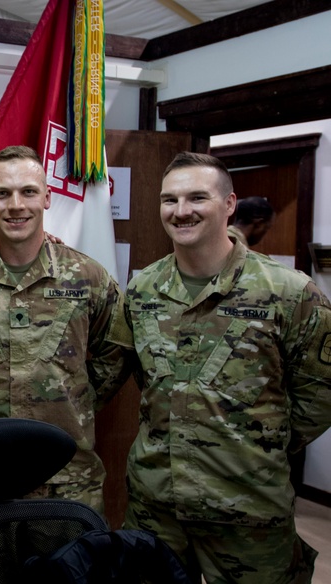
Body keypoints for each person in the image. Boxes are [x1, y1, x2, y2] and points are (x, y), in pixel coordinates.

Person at [118, 152, 331, 584]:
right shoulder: (142, 289)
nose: (181, 211)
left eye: (197, 197)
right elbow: (151, 383)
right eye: (169, 199)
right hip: (157, 509)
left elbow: (320, 392)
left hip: (246, 511)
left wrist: (258, 444)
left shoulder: (289, 292)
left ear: (229, 203)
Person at [0, 145, 129, 513]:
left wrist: (74, 399)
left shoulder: (87, 277)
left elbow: (116, 349)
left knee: (68, 572)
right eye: (3, 193)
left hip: (67, 480)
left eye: (28, 191)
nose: (16, 205)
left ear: (47, 198)